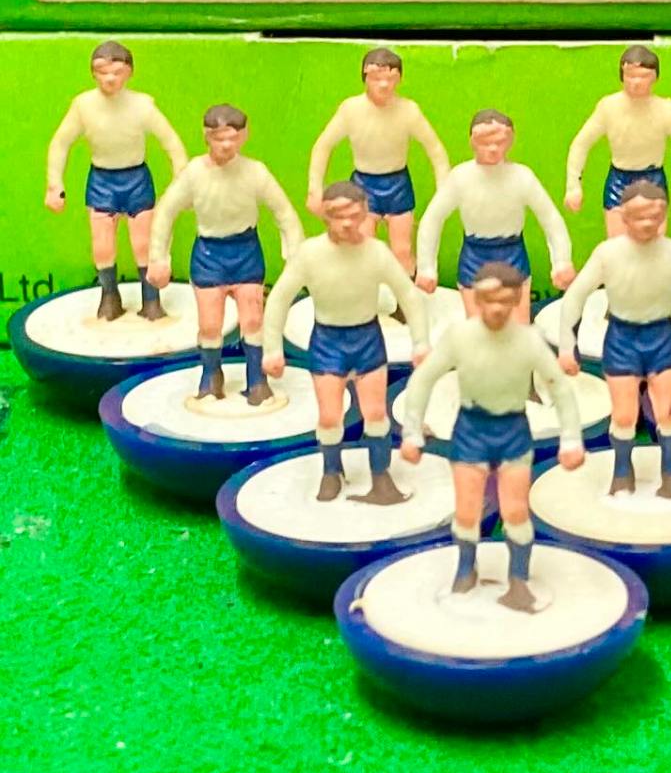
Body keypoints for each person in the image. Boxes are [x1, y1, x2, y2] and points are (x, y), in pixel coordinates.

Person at [400, 262, 584, 613]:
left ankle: (519, 580)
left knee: (515, 510)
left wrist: (571, 439)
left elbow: (560, 388)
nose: (497, 308)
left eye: (505, 300)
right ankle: (465, 571)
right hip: (471, 430)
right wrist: (412, 431)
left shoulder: (529, 340)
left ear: (516, 299)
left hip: (513, 431)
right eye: (489, 299)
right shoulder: (459, 337)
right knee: (469, 509)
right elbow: (423, 378)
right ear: (477, 298)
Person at [558, 181, 671, 498]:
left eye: (655, 215)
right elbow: (575, 296)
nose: (647, 223)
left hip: (661, 338)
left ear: (664, 214)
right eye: (639, 216)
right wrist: (567, 345)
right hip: (621, 340)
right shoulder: (608, 254)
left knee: (668, 412)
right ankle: (622, 473)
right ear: (623, 216)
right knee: (624, 415)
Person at [263, 181, 429, 504]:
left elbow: (409, 295)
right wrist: (272, 349)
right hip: (328, 342)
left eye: (354, 215)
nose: (348, 224)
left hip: (367, 340)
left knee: (376, 413)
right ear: (325, 216)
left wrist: (420, 342)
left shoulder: (377, 253)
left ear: (365, 213)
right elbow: (280, 297)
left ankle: (381, 476)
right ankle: (331, 471)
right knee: (329, 416)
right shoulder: (310, 254)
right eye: (339, 216)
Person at [147, 104, 304, 404]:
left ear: (243, 136)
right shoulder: (194, 173)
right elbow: (166, 211)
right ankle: (211, 377)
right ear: (207, 136)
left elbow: (284, 212)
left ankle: (257, 380)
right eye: (220, 138)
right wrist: (158, 258)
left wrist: (295, 255)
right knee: (210, 325)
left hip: (246, 253)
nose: (227, 145)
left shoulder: (256, 172)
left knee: (253, 321)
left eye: (233, 137)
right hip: (209, 256)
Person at [45, 41, 187, 321]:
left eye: (117, 71)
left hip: (136, 180)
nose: (110, 78)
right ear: (93, 73)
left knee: (144, 245)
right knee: (102, 246)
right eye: (102, 71)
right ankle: (109, 297)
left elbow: (171, 142)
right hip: (102, 182)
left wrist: (180, 178)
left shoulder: (142, 106)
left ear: (129, 72)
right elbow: (61, 143)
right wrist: (54, 184)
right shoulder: (83, 106)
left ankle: (151, 300)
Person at [415, 108, 575, 324]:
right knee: (476, 327)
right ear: (472, 141)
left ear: (510, 141)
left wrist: (562, 261)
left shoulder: (522, 177)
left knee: (519, 328)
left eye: (499, 142)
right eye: (485, 142)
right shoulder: (460, 178)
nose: (492, 148)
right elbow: (432, 219)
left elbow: (551, 219)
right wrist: (426, 267)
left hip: (513, 255)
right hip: (474, 257)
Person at [306, 47, 450, 277]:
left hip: (398, 185)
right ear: (365, 77)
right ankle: (365, 295)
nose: (383, 85)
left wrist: (444, 189)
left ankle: (406, 295)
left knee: (402, 250)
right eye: (376, 78)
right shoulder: (350, 110)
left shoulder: (408, 111)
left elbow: (435, 150)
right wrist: (315, 189)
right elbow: (323, 146)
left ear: (399, 79)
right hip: (364, 186)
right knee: (363, 247)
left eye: (390, 78)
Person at [563, 45, 671, 236]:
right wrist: (573, 186)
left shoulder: (665, 111)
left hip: (653, 181)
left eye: (643, 76)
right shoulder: (608, 107)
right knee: (617, 244)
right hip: (619, 181)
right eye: (630, 76)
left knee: (655, 245)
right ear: (622, 76)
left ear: (655, 77)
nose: (636, 82)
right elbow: (581, 144)